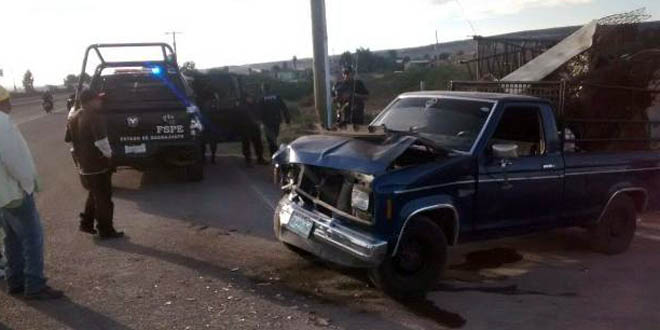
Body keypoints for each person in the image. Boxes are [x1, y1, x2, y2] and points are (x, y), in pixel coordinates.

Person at [0, 86, 64, 299]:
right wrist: (27, 183)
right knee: (32, 237)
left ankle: (15, 280)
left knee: (12, 239)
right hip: (15, 191)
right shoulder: (2, 123)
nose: (10, 104)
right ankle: (34, 284)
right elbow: (14, 160)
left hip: (3, 195)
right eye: (7, 99)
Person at [65, 89, 124, 239]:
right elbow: (101, 142)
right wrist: (110, 157)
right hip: (98, 165)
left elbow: (68, 139)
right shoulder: (95, 117)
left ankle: (86, 223)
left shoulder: (73, 116)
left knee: (94, 194)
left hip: (84, 165)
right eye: (97, 99)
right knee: (104, 199)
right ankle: (106, 230)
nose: (100, 102)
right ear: (89, 101)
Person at [259, 83, 291, 157]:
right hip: (276, 120)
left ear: (263, 89)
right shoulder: (277, 96)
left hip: (267, 122)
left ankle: (273, 153)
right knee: (275, 136)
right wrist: (287, 118)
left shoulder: (262, 98)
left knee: (270, 138)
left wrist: (259, 121)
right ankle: (275, 152)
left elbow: (259, 111)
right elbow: (284, 107)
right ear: (270, 88)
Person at [239, 95, 267, 167]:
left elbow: (259, 113)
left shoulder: (255, 105)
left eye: (251, 97)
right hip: (245, 127)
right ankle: (248, 160)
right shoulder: (243, 106)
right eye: (249, 97)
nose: (250, 99)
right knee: (246, 144)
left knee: (258, 143)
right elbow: (247, 115)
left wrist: (259, 121)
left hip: (255, 127)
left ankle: (260, 158)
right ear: (246, 98)